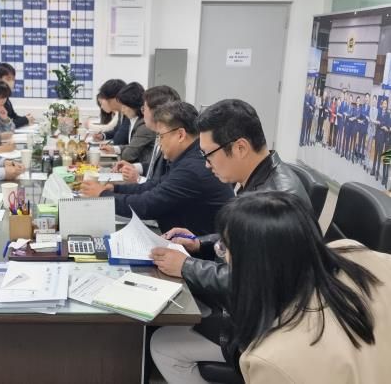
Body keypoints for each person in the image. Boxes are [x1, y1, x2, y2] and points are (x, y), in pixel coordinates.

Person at [149, 99, 310, 384]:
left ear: (240, 147)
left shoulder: (275, 202)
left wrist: (186, 266)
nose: (206, 164)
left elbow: (251, 282)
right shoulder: (260, 178)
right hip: (249, 309)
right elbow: (243, 239)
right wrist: (199, 244)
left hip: (262, 327)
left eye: (208, 155)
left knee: (162, 343)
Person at [217, 192, 391, 383]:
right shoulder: (356, 252)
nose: (224, 256)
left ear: (251, 265)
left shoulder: (272, 360)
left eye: (225, 248)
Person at [81, 102, 234, 235]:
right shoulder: (187, 157)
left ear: (180, 135)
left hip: (197, 249)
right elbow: (154, 186)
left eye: (161, 136)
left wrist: (103, 194)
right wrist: (115, 189)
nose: (159, 143)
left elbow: (147, 205)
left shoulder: (192, 168)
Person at [113, 85, 182, 183]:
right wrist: (134, 167)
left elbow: (162, 185)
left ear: (157, 112)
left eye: (144, 109)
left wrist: (138, 179)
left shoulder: (171, 142)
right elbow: (154, 166)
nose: (142, 113)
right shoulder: (160, 134)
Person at [100, 82, 156, 164]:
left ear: (133, 105)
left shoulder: (144, 126)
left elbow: (128, 155)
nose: (122, 110)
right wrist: (114, 149)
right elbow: (132, 145)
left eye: (125, 107)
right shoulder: (134, 119)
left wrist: (117, 150)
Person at [0, 62, 35, 128]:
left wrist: (26, 118)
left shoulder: (5, 97)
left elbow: (11, 117)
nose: (11, 82)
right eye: (8, 79)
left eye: (13, 79)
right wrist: (24, 120)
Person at [91, 79, 128, 143]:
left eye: (104, 98)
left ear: (115, 98)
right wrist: (103, 136)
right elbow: (116, 131)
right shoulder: (120, 113)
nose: (101, 107)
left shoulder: (129, 113)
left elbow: (119, 139)